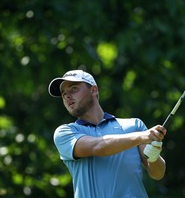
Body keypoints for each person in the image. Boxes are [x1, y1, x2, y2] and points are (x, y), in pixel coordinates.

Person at [48, 69, 167, 198]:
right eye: (64, 93)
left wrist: (154, 156)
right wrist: (141, 136)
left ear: (93, 90)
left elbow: (157, 174)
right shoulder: (65, 133)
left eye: (74, 89)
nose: (67, 96)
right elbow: (98, 147)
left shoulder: (134, 125)